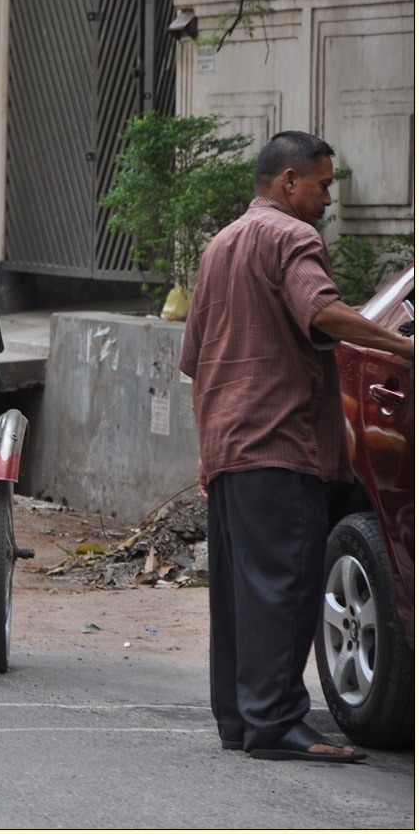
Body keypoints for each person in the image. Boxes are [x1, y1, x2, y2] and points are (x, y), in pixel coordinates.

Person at [179, 130, 414, 762]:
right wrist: (401, 345)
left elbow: (195, 360)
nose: (328, 198)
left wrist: (207, 447)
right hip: (280, 441)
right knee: (284, 585)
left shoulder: (220, 245)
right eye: (323, 183)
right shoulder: (292, 237)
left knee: (240, 590)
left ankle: (241, 720)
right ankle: (278, 724)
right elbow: (322, 312)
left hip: (230, 445)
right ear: (289, 182)